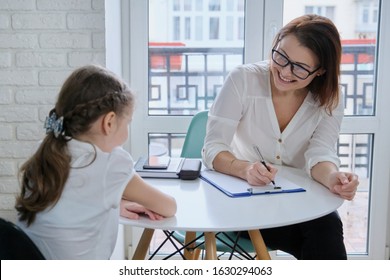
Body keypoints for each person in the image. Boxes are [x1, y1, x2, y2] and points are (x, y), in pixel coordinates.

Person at [202, 14, 359, 260]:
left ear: (321, 71)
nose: (284, 71)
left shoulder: (331, 97)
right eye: (281, 56)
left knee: (326, 229)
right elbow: (213, 147)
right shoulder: (242, 80)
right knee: (319, 239)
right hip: (242, 199)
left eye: (300, 67)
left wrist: (332, 177)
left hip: (298, 202)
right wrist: (244, 169)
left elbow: (320, 152)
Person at [15, 65, 177, 260]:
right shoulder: (112, 163)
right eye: (128, 123)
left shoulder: (45, 151)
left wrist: (116, 200)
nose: (127, 131)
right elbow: (169, 207)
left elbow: (69, 203)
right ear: (109, 122)